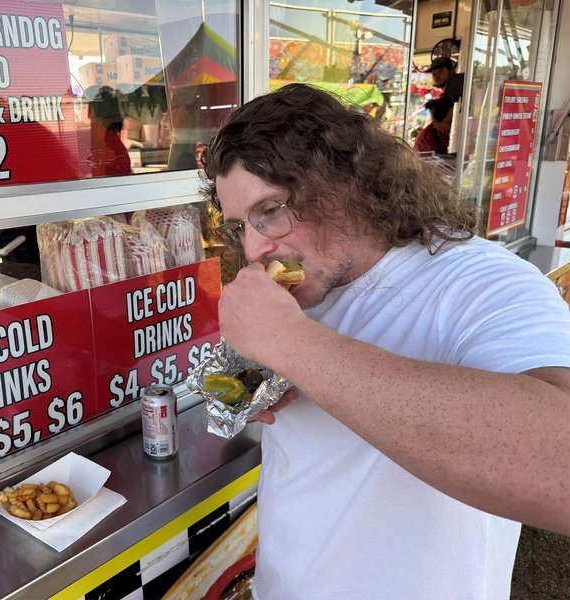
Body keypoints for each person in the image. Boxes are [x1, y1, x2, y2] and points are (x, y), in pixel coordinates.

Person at [203, 83, 570, 599]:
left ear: (345, 179)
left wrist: (290, 344)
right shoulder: (306, 292)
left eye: (271, 209)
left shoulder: (480, 281)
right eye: (241, 224)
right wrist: (248, 383)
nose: (255, 246)